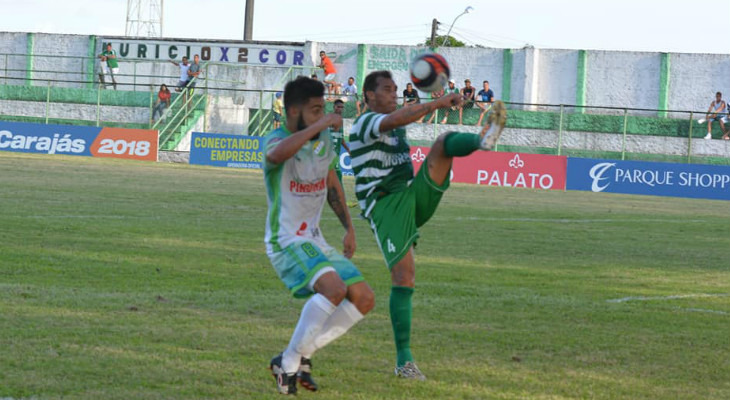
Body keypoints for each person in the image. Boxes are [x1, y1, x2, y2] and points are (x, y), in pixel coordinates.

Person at [348, 70, 507, 380]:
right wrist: (437, 104)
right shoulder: (366, 122)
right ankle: (404, 362)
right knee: (404, 276)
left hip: (409, 194)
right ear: (368, 96)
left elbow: (399, 120)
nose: (393, 94)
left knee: (444, 142)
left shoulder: (394, 126)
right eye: (386, 90)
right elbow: (395, 120)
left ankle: (483, 139)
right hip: (385, 206)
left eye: (395, 89)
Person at [264, 76, 375, 395]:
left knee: (364, 298)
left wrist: (349, 227)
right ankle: (288, 363)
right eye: (315, 110)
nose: (322, 114)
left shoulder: (322, 139)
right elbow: (277, 156)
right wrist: (320, 125)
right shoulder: (275, 139)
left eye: (323, 108)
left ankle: (299, 357)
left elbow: (331, 183)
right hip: (286, 240)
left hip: (316, 240)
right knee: (333, 289)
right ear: (294, 110)